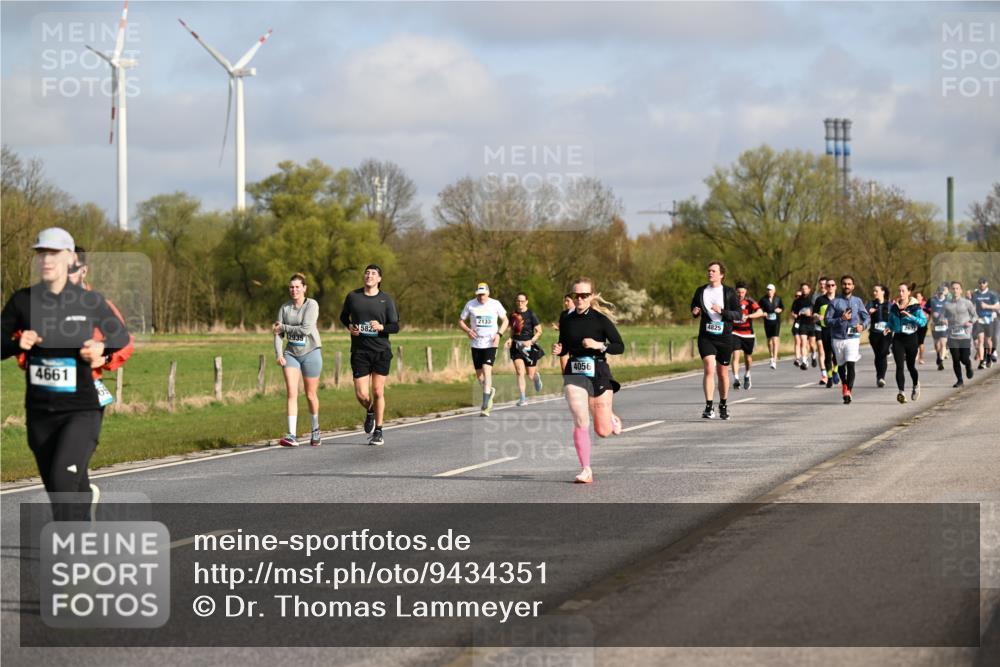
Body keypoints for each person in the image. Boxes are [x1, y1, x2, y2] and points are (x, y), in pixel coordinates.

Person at [1, 228, 131, 521]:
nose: (47, 259)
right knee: (60, 492)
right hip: (39, 413)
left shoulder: (90, 300)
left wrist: (102, 350)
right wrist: (14, 344)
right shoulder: (22, 301)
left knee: (63, 482)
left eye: (54, 253)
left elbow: (121, 336)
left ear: (70, 258)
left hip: (81, 409)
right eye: (41, 253)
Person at [552, 277, 623, 484]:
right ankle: (586, 469)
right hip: (574, 371)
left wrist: (598, 345)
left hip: (598, 370)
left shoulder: (600, 320)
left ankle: (610, 416)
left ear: (591, 296)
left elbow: (619, 346)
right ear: (572, 297)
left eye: (584, 295)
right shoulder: (566, 318)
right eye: (576, 295)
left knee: (602, 431)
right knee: (580, 420)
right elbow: (564, 345)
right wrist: (559, 350)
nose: (580, 299)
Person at [339, 264, 400, 446]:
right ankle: (371, 410)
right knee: (362, 394)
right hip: (360, 351)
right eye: (367, 273)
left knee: (377, 391)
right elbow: (343, 317)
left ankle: (379, 431)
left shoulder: (386, 300)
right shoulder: (353, 297)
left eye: (373, 273)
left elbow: (395, 326)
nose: (369, 275)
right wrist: (349, 327)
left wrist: (382, 327)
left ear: (379, 279)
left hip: (381, 351)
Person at [273, 273, 322, 447]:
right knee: (291, 392)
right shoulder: (285, 308)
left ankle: (315, 429)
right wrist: (279, 354)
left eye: (297, 287)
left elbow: (306, 330)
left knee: (310, 395)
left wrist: (284, 327)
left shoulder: (312, 305)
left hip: (311, 352)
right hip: (291, 354)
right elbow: (278, 334)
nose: (294, 290)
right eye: (291, 287)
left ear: (304, 288)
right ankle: (291, 434)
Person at [690, 261, 743, 420]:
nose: (710, 273)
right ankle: (708, 406)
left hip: (725, 337)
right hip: (706, 336)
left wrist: (722, 311)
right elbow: (694, 307)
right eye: (709, 271)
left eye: (713, 271)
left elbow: (738, 315)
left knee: (722, 373)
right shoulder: (701, 291)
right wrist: (695, 311)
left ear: (721, 275)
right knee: (709, 368)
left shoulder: (728, 292)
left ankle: (723, 404)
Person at [459, 282, 508, 417]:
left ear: (488, 293)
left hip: (491, 343)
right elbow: (461, 321)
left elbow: (505, 320)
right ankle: (490, 391)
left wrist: (499, 334)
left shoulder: (495, 304)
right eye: (479, 295)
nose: (481, 297)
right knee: (480, 377)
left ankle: (485, 405)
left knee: (487, 369)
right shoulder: (470, 304)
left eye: (483, 294)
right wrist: (468, 331)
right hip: (476, 344)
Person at [824, 275, 870, 404]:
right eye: (844, 284)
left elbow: (866, 317)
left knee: (851, 364)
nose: (847, 286)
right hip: (838, 338)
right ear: (841, 285)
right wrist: (841, 319)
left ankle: (848, 391)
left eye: (849, 284)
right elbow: (827, 321)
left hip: (853, 337)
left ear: (853, 286)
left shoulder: (858, 301)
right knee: (841, 366)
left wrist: (863, 325)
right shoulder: (834, 302)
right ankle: (844, 385)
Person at [885, 282, 927, 403]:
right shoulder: (894, 307)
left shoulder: (915, 307)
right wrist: (888, 327)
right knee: (899, 366)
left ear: (909, 292)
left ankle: (915, 385)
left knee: (910, 366)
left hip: (911, 339)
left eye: (903, 291)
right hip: (898, 339)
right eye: (899, 291)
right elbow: (891, 322)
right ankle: (901, 393)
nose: (901, 293)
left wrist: (910, 316)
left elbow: (923, 322)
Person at [506, 292, 545, 406]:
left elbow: (539, 331)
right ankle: (522, 398)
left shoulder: (531, 314)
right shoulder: (513, 314)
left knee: (530, 375)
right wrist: (510, 339)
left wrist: (531, 341)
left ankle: (536, 378)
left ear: (526, 302)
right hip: (516, 346)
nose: (520, 303)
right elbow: (512, 330)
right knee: (519, 371)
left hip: (529, 347)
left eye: (522, 301)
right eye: (518, 301)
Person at [729, 281, 765, 390]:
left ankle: (747, 374)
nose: (740, 294)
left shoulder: (749, 301)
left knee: (748, 357)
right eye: (738, 292)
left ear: (746, 292)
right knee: (735, 355)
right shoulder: (731, 301)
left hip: (748, 334)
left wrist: (748, 316)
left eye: (742, 292)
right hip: (734, 332)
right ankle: (736, 379)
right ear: (736, 292)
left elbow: (760, 312)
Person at [942, 281, 977, 387]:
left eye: (957, 288)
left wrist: (970, 322)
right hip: (952, 335)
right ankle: (960, 380)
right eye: (953, 288)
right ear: (951, 290)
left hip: (965, 334)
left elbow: (975, 316)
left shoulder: (967, 303)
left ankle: (968, 365)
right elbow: (942, 316)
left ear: (961, 290)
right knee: (956, 359)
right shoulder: (947, 304)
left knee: (964, 358)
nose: (955, 290)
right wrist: (944, 320)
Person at [814, 277, 839, 387]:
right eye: (828, 285)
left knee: (837, 354)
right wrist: (817, 316)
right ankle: (829, 378)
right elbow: (813, 314)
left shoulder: (840, 299)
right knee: (827, 355)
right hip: (825, 330)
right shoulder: (820, 300)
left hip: (838, 331)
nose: (830, 287)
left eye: (832, 285)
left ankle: (835, 371)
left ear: (835, 287)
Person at [866, 284, 892, 388]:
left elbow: (894, 318)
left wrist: (891, 326)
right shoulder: (871, 303)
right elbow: (863, 314)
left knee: (882, 353)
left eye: (876, 291)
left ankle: (882, 377)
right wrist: (869, 312)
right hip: (874, 333)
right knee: (878, 355)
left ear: (883, 292)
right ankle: (879, 376)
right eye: (873, 291)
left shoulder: (890, 305)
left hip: (886, 333)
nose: (874, 293)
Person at [972, 277, 999, 369]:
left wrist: (987, 306)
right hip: (979, 320)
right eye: (980, 283)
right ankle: (982, 361)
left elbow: (997, 306)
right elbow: (972, 306)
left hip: (989, 320)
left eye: (983, 282)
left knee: (988, 341)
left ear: (987, 283)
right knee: (980, 340)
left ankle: (989, 356)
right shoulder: (975, 294)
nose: (981, 284)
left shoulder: (992, 294)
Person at [791, 282, 816, 370]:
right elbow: (794, 312)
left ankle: (813, 355)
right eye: (803, 289)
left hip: (811, 324)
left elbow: (816, 312)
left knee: (812, 344)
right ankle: (804, 361)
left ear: (809, 290)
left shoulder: (813, 300)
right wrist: (795, 315)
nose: (804, 290)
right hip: (802, 324)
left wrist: (811, 313)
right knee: (803, 342)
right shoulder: (797, 301)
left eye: (806, 289)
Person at [758, 283, 783, 369]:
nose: (769, 291)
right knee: (769, 341)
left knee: (775, 339)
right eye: (768, 290)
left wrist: (779, 310)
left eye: (771, 290)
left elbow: (782, 307)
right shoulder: (763, 300)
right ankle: (771, 356)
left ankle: (774, 360)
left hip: (776, 321)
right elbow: (758, 309)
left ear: (774, 291)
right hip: (767, 322)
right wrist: (762, 313)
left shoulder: (778, 299)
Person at [927, 284, 950, 371]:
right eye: (939, 293)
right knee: (937, 344)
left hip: (944, 325)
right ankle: (938, 355)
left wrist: (948, 319)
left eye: (942, 293)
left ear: (944, 293)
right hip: (935, 325)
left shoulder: (948, 301)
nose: (941, 294)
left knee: (943, 343)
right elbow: (926, 309)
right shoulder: (932, 300)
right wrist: (930, 315)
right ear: (937, 292)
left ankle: (941, 361)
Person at [914, 291, 930, 365]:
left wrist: (927, 318)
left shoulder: (925, 304)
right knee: (914, 342)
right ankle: (915, 355)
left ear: (922, 297)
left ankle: (921, 358)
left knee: (921, 342)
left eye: (919, 296)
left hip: (922, 326)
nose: (917, 298)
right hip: (914, 325)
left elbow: (929, 313)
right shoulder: (913, 304)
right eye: (916, 297)